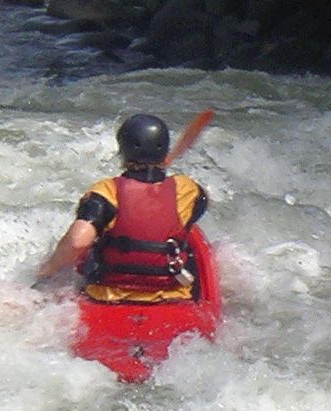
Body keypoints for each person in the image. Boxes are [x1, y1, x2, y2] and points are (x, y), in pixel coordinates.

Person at [36, 113, 208, 302]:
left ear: (123, 150)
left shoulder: (108, 190)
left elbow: (78, 242)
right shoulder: (187, 189)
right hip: (171, 298)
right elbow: (199, 204)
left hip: (108, 296)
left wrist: (50, 268)